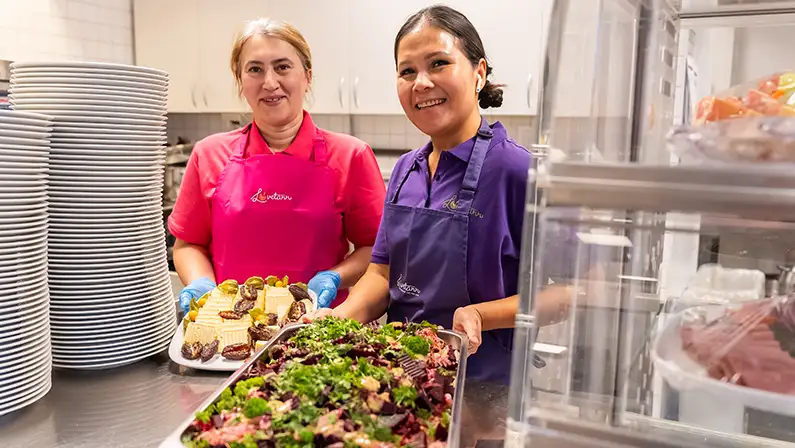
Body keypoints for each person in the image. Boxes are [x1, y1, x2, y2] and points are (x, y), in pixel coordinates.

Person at [305, 5, 574, 384]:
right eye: (407, 71)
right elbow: (382, 273)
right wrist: (338, 318)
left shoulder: (519, 171)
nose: (421, 83)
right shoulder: (404, 170)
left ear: (479, 73)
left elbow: (568, 291)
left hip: (485, 386)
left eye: (439, 63)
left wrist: (482, 314)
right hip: (401, 378)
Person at [170, 18, 386, 314]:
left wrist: (336, 277)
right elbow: (188, 244)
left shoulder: (351, 156)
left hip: (317, 330)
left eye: (283, 67)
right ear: (240, 81)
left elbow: (377, 250)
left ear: (307, 76)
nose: (270, 82)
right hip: (229, 330)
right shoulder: (209, 154)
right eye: (255, 69)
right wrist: (201, 284)